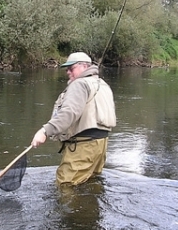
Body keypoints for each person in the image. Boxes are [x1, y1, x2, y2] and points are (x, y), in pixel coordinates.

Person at [31, 52, 116, 186]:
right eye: (66, 69)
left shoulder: (80, 84)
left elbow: (69, 113)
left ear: (84, 66)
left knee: (66, 185)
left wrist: (45, 131)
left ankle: (69, 207)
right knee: (91, 184)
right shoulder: (102, 84)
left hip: (83, 146)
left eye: (71, 68)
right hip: (101, 145)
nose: (68, 72)